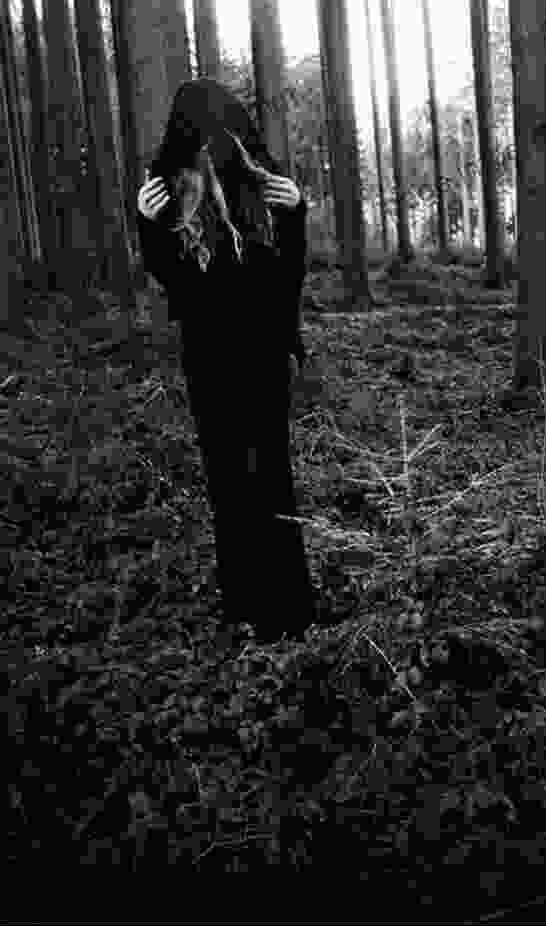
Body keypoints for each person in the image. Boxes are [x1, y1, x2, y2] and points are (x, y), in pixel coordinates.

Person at [136, 78, 317, 645]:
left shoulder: (260, 189)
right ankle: (243, 600)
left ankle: (288, 607)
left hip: (260, 356)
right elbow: (176, 284)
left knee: (270, 477)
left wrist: (297, 214)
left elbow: (287, 276)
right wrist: (149, 225)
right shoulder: (176, 192)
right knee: (227, 480)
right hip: (210, 360)